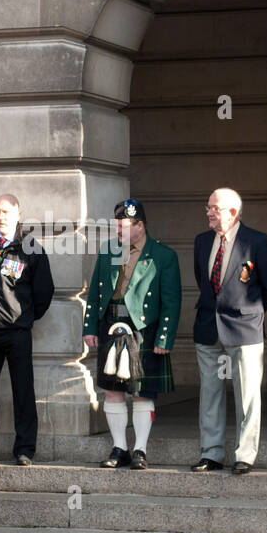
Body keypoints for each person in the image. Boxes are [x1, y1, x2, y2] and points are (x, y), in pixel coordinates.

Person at [82, 199, 181, 470]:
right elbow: (94, 294)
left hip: (144, 330)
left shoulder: (163, 256)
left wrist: (163, 338)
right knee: (113, 391)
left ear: (140, 226)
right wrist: (90, 327)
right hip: (111, 325)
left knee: (142, 392)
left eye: (124, 226)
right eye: (117, 225)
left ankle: (140, 449)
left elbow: (171, 302)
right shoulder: (108, 251)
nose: (119, 231)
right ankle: (119, 448)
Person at [192, 188, 267, 474]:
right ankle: (212, 453)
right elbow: (204, 283)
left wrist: (251, 311)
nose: (208, 212)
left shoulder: (256, 242)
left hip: (244, 330)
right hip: (209, 329)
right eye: (207, 207)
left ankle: (245, 454)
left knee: (247, 395)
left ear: (232, 212)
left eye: (214, 208)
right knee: (210, 394)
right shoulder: (202, 241)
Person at [0, 194, 54, 466]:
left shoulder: (31, 248)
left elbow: (44, 291)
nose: (0, 216)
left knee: (23, 390)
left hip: (16, 332)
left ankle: (25, 449)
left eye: (5, 211)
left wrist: (24, 317)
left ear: (17, 214)